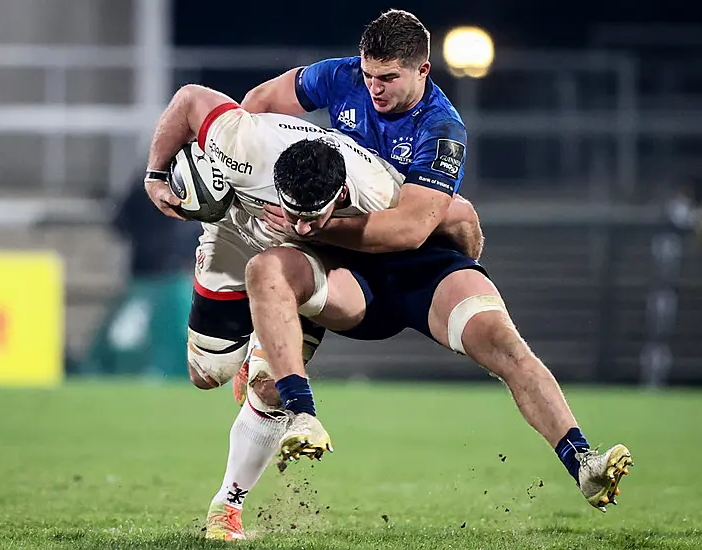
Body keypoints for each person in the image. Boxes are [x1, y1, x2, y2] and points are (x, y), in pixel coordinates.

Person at [217, 8, 632, 540]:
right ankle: (230, 502)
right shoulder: (339, 76)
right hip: (350, 270)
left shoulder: (442, 127)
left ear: (423, 72)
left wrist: (312, 226)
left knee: (505, 344)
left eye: (388, 78)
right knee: (266, 285)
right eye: (369, 75)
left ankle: (584, 464)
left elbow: (408, 231)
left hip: (419, 268)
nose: (374, 89)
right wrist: (269, 174)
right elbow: (254, 109)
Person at [143, 81, 482, 540]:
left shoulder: (376, 188)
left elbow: (455, 214)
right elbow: (187, 99)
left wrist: (466, 264)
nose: (302, 222)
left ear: (341, 194)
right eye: (293, 211)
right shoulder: (242, 143)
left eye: (312, 214)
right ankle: (249, 355)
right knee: (207, 373)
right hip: (230, 234)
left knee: (271, 388)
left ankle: (227, 507)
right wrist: (155, 174)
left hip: (303, 260)